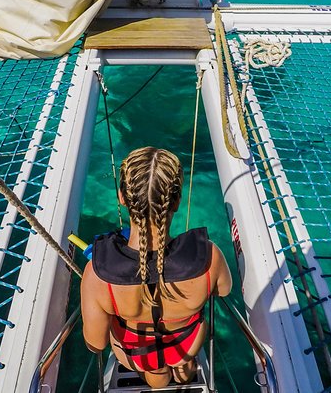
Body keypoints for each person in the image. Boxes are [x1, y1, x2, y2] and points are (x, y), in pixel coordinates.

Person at [81, 146, 233, 388]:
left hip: (139, 352)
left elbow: (96, 343)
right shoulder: (209, 256)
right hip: (187, 343)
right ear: (177, 201)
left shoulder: (98, 274)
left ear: (122, 197)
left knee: (155, 371)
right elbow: (224, 290)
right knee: (184, 364)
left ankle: (160, 384)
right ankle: (183, 374)